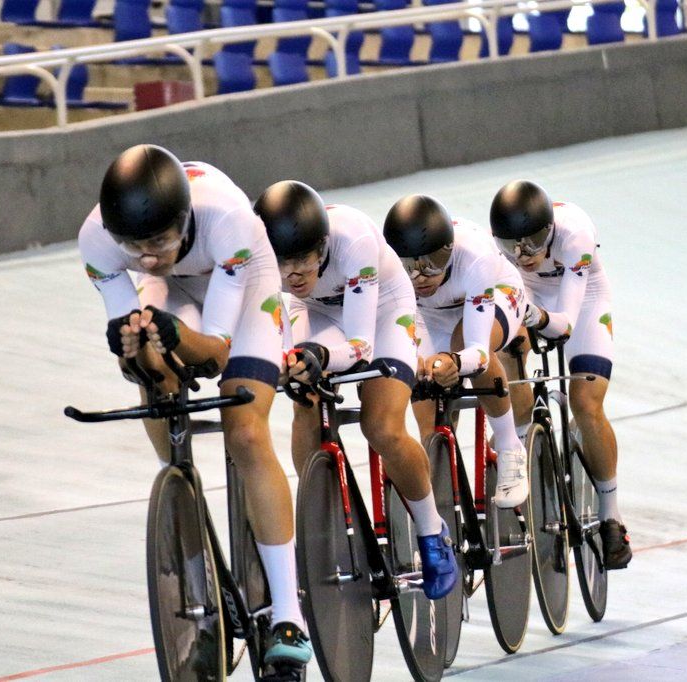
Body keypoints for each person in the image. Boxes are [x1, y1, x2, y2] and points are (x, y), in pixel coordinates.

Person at [77, 144, 312, 671]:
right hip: (175, 290)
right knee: (151, 369)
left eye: (158, 240)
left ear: (183, 221)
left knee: (246, 432)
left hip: (245, 286)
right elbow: (130, 351)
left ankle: (288, 613)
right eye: (132, 246)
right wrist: (137, 350)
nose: (145, 256)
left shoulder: (225, 219)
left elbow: (216, 354)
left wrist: (177, 335)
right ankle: (177, 485)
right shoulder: (97, 241)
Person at [254, 180, 457, 600]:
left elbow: (362, 347)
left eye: (303, 261)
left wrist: (320, 358)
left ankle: (431, 531)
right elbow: (279, 337)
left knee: (380, 425)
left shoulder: (356, 241)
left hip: (383, 311)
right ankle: (320, 516)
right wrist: (291, 362)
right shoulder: (268, 262)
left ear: (323, 247)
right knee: (302, 396)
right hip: (316, 311)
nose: (292, 272)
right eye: (282, 262)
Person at [489, 179, 631, 569]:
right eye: (512, 247)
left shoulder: (575, 235)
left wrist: (530, 316)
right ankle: (519, 444)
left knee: (586, 404)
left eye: (532, 243)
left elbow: (565, 322)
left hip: (582, 301)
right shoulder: (497, 250)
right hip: (529, 295)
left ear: (549, 230)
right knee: (506, 349)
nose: (522, 254)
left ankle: (611, 513)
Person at [383, 194, 530, 509]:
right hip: (431, 314)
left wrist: (454, 360)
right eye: (409, 266)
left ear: (448, 251)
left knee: (464, 347)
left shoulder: (474, 257)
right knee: (423, 383)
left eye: (431, 264)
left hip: (496, 294)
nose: (420, 276)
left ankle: (509, 446)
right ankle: (441, 483)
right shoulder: (386, 268)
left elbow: (476, 350)